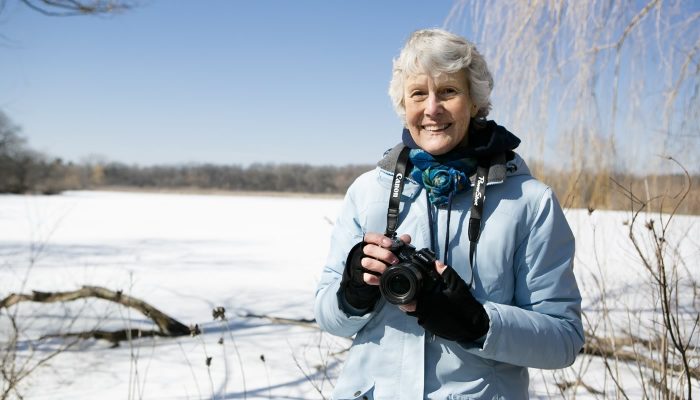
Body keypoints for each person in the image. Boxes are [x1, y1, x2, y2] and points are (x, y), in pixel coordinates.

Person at [314, 28, 584, 400]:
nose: (432, 109)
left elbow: (563, 339)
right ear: (403, 104)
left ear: (475, 101)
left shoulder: (529, 202)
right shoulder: (368, 192)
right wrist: (352, 292)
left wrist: (477, 322)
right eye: (418, 94)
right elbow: (328, 317)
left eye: (448, 92)